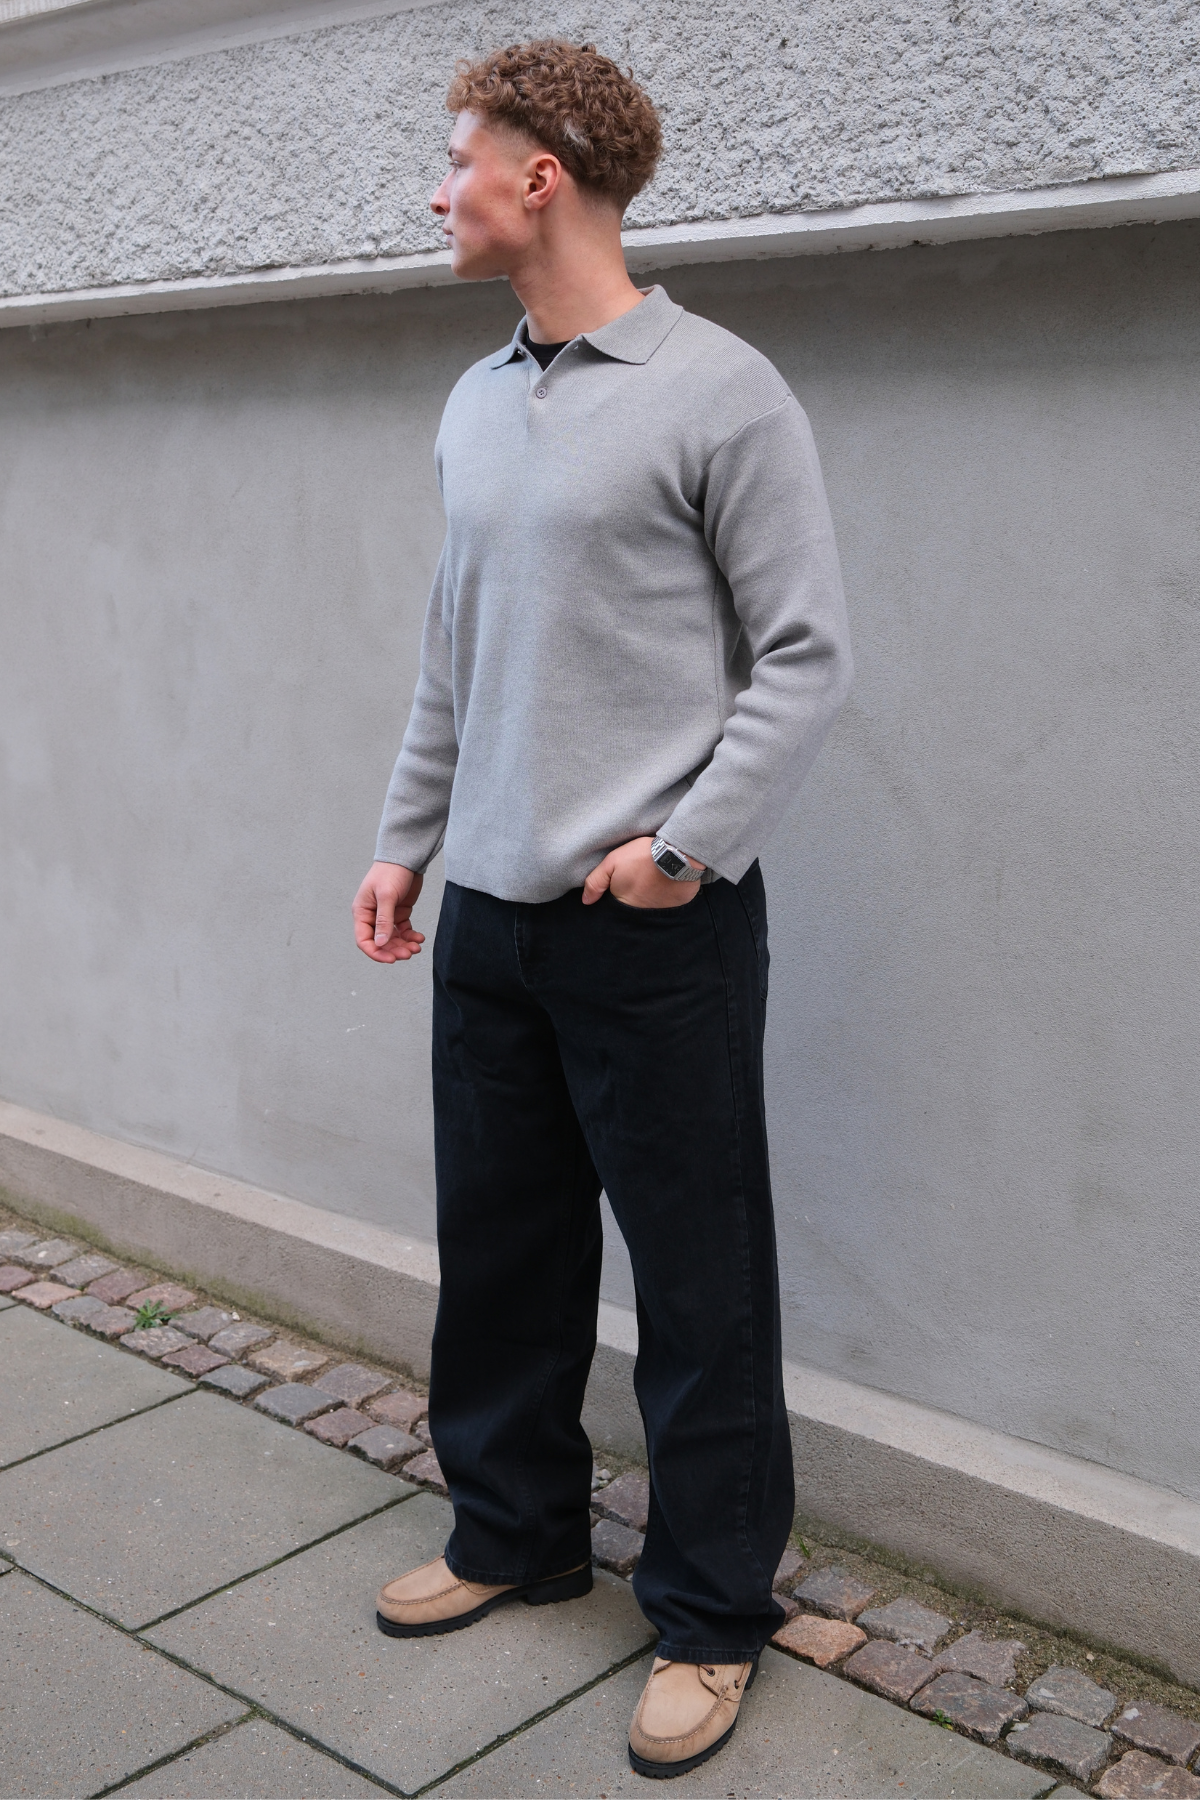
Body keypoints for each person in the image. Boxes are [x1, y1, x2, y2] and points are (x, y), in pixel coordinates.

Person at [352, 38, 852, 1779]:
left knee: (702, 1288)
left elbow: (805, 656)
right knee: (501, 1258)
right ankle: (515, 1533)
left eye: (460, 158)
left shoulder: (721, 392)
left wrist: (680, 853)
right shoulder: (476, 399)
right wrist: (407, 841)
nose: (439, 188)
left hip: (653, 929)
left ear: (541, 175)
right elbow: (454, 652)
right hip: (488, 921)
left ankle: (710, 1615)